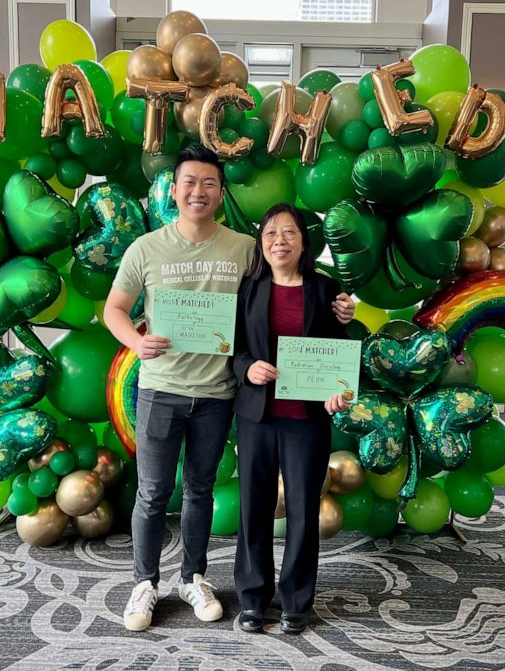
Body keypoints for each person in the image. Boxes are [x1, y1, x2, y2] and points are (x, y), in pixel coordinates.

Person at [104, 146, 354, 632]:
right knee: (155, 492)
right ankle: (148, 583)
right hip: (170, 390)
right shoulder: (149, 249)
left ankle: (199, 578)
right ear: (174, 190)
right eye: (189, 183)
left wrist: (344, 314)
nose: (199, 192)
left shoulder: (250, 253)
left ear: (221, 193)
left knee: (202, 490)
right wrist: (138, 340)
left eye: (209, 184)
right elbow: (118, 309)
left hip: (222, 397)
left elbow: (320, 334)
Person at [231, 203, 353, 635]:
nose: (278, 241)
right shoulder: (248, 288)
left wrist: (340, 393)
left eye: (288, 233)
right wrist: (247, 368)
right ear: (261, 243)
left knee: (303, 510)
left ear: (304, 241)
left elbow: (338, 357)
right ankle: (252, 598)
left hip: (307, 419)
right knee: (255, 509)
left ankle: (297, 601)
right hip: (257, 415)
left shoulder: (325, 291)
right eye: (269, 234)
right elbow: (233, 348)